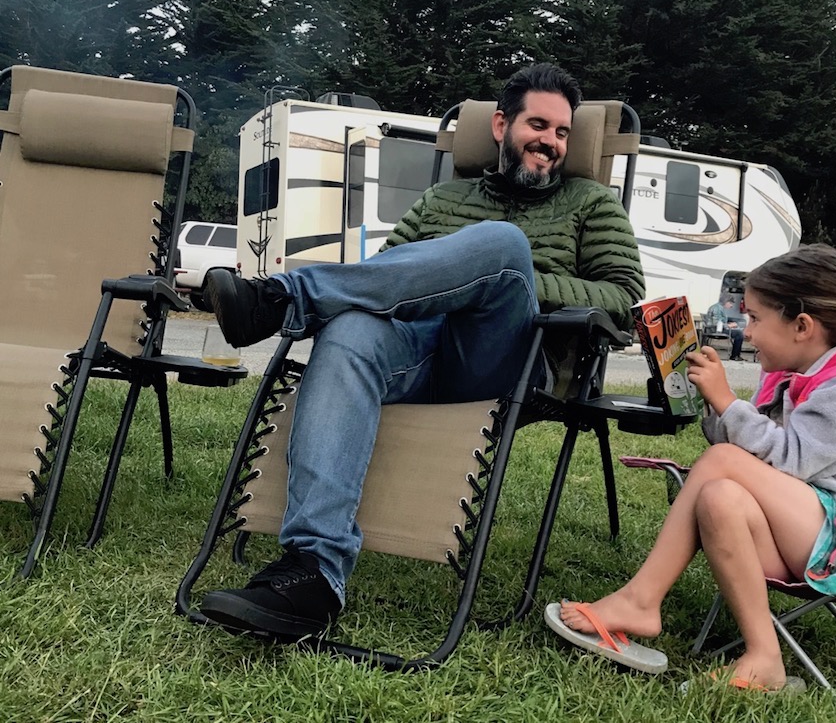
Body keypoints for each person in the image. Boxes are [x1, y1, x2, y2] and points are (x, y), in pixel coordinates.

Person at [198, 62, 645, 639]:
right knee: (350, 331)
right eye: (539, 125)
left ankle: (283, 301)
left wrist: (515, 276)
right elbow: (384, 275)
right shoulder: (443, 197)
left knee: (503, 247)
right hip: (418, 351)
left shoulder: (591, 203)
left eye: (562, 132)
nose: (552, 143)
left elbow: (623, 299)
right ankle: (312, 573)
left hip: (507, 359)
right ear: (501, 126)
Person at [552, 243, 836, 692]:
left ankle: (640, 599)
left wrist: (728, 401)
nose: (746, 331)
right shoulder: (799, 375)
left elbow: (788, 459)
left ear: (802, 326)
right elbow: (751, 453)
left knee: (724, 464)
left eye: (755, 319)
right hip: (809, 528)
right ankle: (765, 658)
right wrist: (712, 403)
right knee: (719, 496)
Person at [705, 294, 746, 361]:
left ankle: (736, 355)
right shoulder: (717, 309)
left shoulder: (718, 307)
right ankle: (735, 355)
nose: (731, 305)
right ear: (726, 302)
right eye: (730, 303)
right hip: (715, 330)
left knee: (738, 332)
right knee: (739, 334)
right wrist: (729, 325)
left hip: (715, 328)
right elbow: (716, 323)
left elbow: (719, 320)